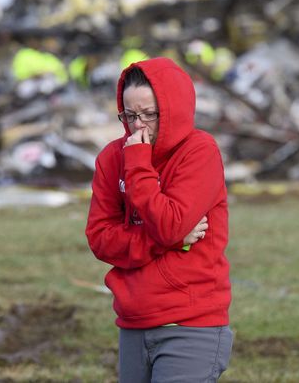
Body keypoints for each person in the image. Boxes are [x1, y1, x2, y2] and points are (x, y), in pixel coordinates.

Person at [85, 57, 232, 382]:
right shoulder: (111, 157)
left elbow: (169, 223)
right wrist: (166, 240)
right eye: (130, 115)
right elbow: (100, 238)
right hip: (134, 322)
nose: (139, 126)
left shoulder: (199, 151)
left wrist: (138, 163)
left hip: (191, 323)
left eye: (150, 115)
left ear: (173, 108)